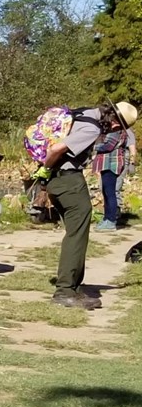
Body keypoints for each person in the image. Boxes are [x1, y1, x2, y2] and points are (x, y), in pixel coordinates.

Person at [36, 100, 137, 309]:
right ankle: (64, 291)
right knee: (77, 234)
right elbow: (56, 149)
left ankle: (73, 287)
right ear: (117, 123)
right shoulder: (91, 128)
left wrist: (46, 176)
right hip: (68, 180)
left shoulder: (81, 114)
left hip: (59, 180)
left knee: (76, 231)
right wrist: (45, 169)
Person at [92, 125, 128, 231]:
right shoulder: (116, 130)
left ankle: (111, 221)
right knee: (106, 191)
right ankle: (107, 218)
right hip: (107, 162)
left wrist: (93, 147)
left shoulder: (116, 130)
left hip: (111, 163)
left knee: (109, 192)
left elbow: (108, 146)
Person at [116, 128, 137, 218]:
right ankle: (110, 212)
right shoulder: (113, 130)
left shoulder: (127, 131)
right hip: (112, 161)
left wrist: (132, 163)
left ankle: (116, 212)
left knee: (116, 186)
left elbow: (132, 149)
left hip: (123, 160)